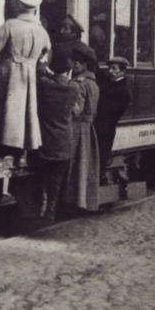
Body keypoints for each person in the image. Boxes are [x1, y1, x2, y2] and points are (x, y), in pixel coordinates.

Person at [0, 0, 51, 157]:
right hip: (29, 75)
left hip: (10, 71)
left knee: (2, 109)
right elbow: (46, 52)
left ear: (20, 6)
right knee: (25, 110)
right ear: (35, 9)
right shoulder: (41, 30)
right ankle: (20, 151)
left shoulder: (10, 24)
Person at [36, 45, 78, 222]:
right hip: (63, 142)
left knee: (42, 177)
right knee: (57, 179)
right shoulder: (73, 88)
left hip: (45, 141)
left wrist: (42, 59)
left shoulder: (45, 86)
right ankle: (51, 211)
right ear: (68, 71)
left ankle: (40, 207)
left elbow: (40, 73)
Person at [64, 42, 101, 211]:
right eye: (74, 61)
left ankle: (72, 202)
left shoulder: (78, 83)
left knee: (74, 165)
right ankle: (83, 201)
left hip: (76, 128)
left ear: (86, 63)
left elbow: (76, 110)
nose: (75, 64)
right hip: (88, 128)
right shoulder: (93, 82)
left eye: (79, 62)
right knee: (86, 166)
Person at [95, 56, 131, 183]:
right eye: (109, 68)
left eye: (114, 68)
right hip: (101, 126)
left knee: (101, 154)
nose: (110, 71)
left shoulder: (123, 91)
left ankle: (100, 178)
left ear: (122, 71)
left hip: (106, 128)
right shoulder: (111, 83)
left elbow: (109, 111)